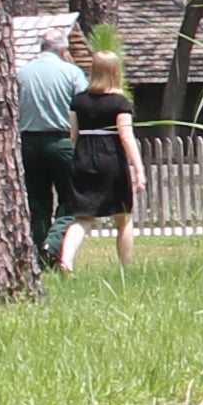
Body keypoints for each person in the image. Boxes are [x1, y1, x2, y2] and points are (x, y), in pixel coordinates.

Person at [15, 26, 89, 271]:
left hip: (29, 141)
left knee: (37, 202)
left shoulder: (22, 73)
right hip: (61, 141)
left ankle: (40, 255)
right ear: (63, 48)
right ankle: (53, 243)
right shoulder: (71, 73)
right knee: (71, 199)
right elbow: (83, 106)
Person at [68, 38, 145, 273]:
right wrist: (139, 168)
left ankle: (66, 261)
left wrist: (77, 157)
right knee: (123, 218)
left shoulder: (78, 101)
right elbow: (126, 137)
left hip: (83, 157)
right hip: (110, 160)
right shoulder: (119, 103)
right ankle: (125, 268)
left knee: (82, 218)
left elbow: (73, 134)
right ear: (115, 72)